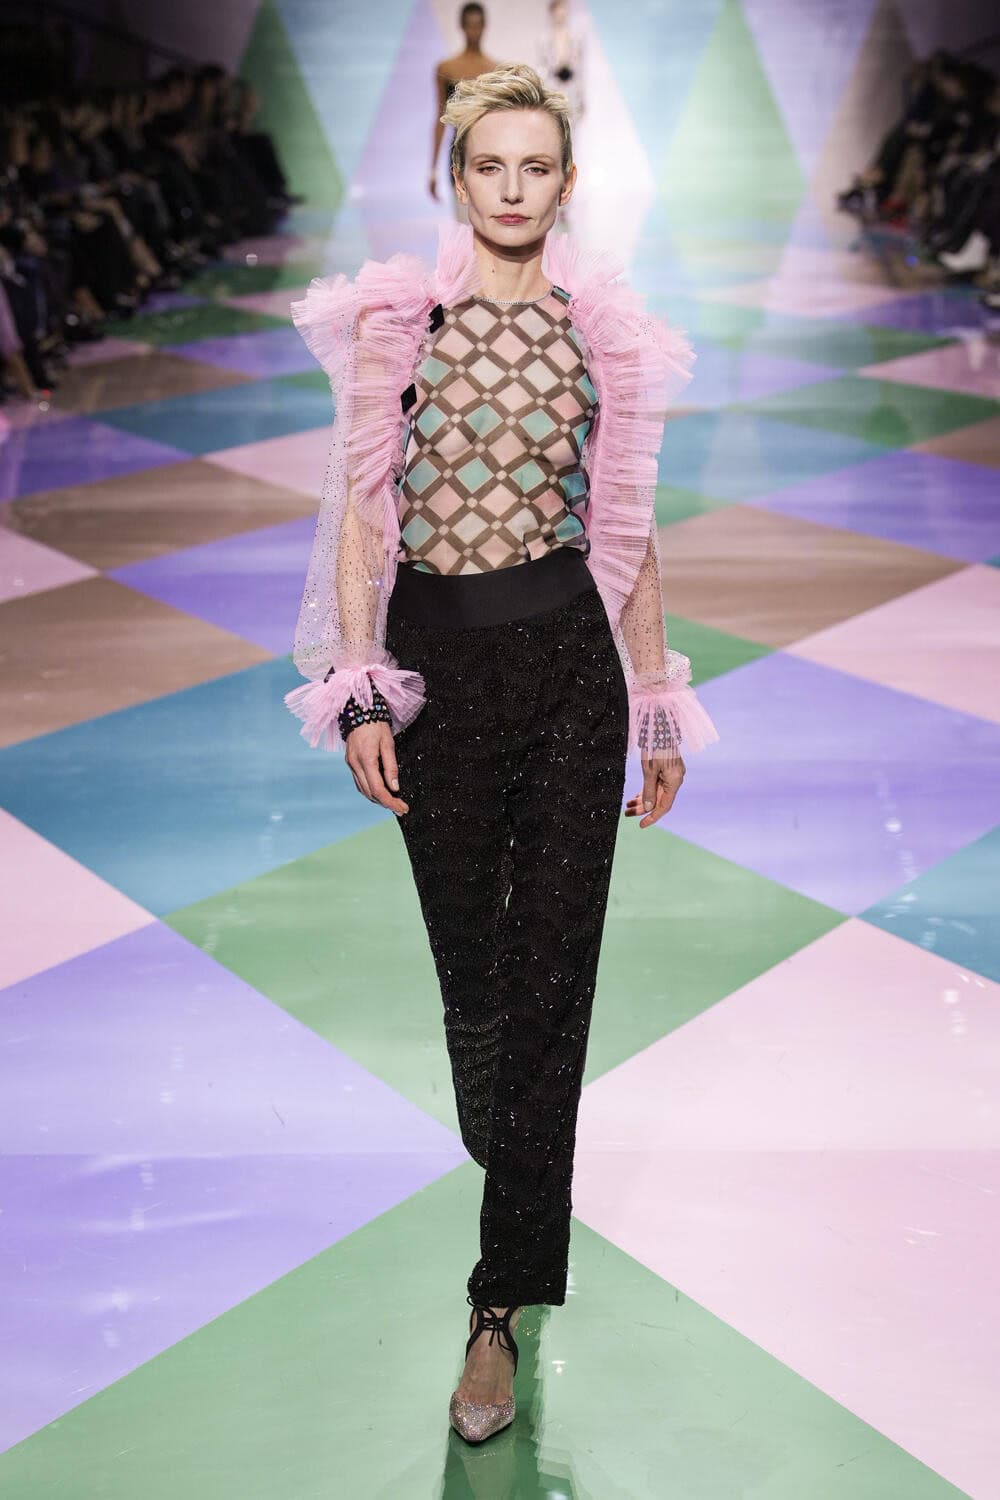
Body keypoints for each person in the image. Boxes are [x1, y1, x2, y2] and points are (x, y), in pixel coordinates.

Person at [286, 62, 719, 1444]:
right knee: (477, 979)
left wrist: (654, 702)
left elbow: (628, 530)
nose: (515, 189)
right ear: (457, 179)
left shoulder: (607, 336)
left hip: (569, 673)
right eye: (491, 167)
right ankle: (516, 1154)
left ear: (566, 182)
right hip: (439, 672)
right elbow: (365, 517)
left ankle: (497, 1305)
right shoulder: (396, 325)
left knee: (553, 983)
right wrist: (361, 690)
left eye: (537, 167)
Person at [428, 2, 497, 218]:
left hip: (490, 154)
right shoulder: (446, 69)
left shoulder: (496, 70)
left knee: (489, 221)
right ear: (461, 26)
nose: (474, 31)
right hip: (458, 153)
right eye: (469, 25)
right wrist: (432, 170)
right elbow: (440, 119)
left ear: (485, 27)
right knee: (463, 223)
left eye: (478, 25)